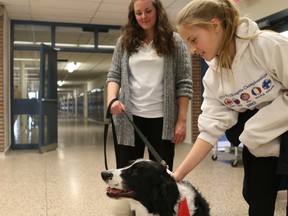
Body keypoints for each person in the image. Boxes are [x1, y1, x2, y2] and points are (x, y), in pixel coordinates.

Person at [172, 0, 288, 215]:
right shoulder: (213, 79)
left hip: (277, 134)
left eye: (194, 39)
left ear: (215, 25)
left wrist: (259, 125)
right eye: (187, 43)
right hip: (263, 145)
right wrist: (177, 175)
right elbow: (209, 131)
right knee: (257, 201)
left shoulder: (267, 46)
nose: (192, 50)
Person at [106, 0, 193, 171]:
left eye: (148, 11)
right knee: (126, 173)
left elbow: (184, 83)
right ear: (133, 15)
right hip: (128, 117)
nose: (144, 16)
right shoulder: (124, 42)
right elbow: (114, 74)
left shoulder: (174, 41)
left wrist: (181, 121)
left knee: (162, 173)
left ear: (157, 11)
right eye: (139, 13)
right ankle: (131, 199)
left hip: (162, 119)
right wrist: (112, 99)